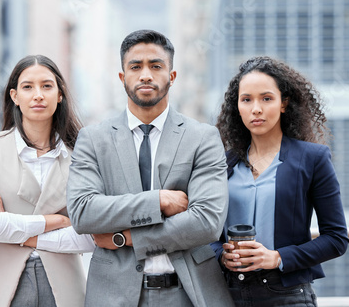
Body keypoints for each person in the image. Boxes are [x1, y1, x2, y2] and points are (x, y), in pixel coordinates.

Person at [66, 29, 234, 307]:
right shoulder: (93, 139)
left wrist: (126, 238)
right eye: (135, 67)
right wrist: (158, 201)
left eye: (156, 66)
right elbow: (83, 212)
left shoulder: (202, 137)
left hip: (189, 293)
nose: (146, 75)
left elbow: (206, 222)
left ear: (172, 76)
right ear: (122, 78)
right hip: (114, 297)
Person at [211, 56, 349, 306]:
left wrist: (277, 257)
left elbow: (336, 238)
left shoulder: (312, 159)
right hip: (226, 295)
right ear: (237, 107)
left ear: (284, 103)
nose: (256, 109)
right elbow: (204, 232)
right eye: (246, 100)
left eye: (266, 98)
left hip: (288, 295)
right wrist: (221, 254)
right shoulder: (222, 164)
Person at [0, 55, 95, 307]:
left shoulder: (81, 154)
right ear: (14, 96)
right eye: (28, 87)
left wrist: (19, 232)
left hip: (65, 290)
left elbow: (90, 236)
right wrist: (55, 221)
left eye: (47, 86)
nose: (38, 95)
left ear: (60, 95)